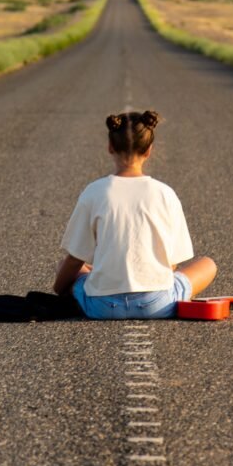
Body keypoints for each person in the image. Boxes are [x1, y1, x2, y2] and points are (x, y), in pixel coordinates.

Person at [53, 110, 217, 319]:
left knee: (65, 266)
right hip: (157, 304)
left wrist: (60, 288)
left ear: (110, 147)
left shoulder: (94, 192)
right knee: (208, 264)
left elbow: (75, 258)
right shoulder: (165, 193)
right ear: (149, 150)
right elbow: (171, 263)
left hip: (101, 306)